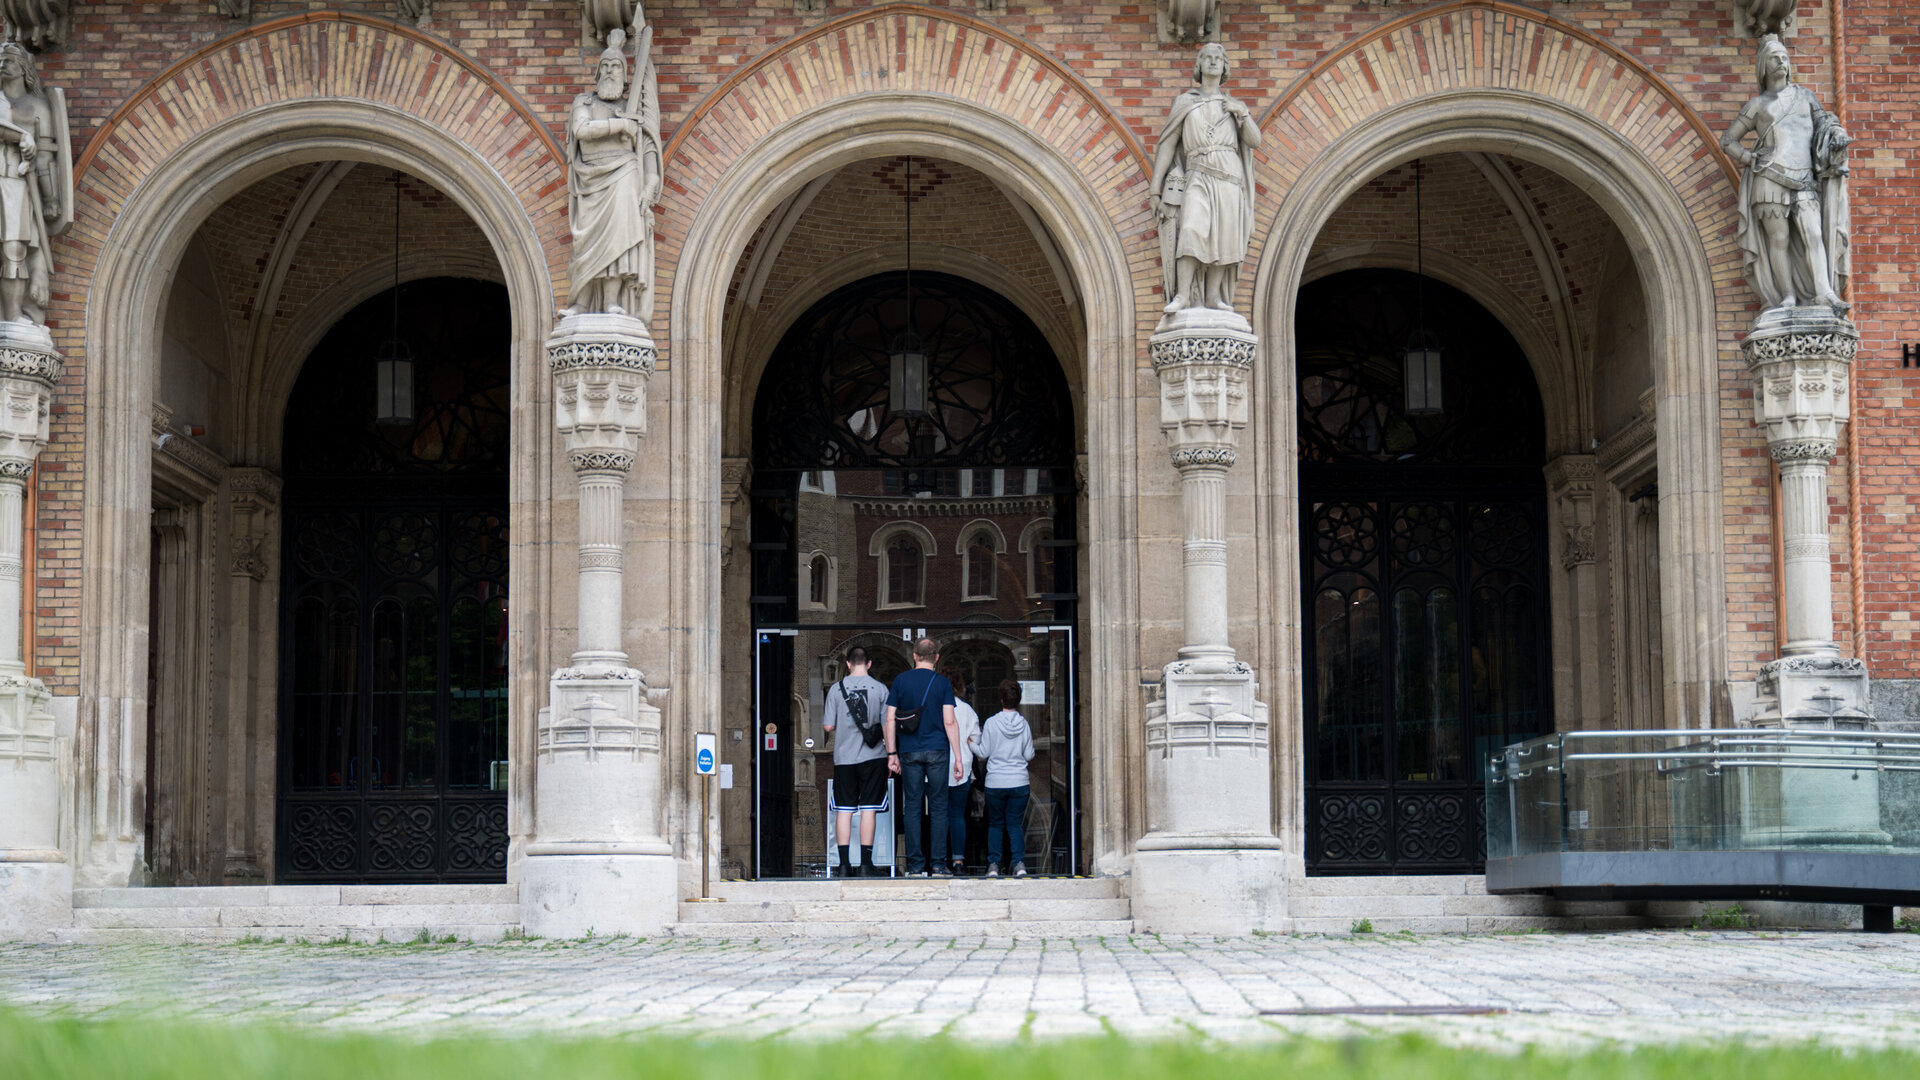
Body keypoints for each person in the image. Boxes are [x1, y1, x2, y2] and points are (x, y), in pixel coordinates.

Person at [1720, 33, 1851, 316]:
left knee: (1813, 234)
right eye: (1774, 58)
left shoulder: (1805, 96)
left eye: (1784, 58)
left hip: (1803, 177)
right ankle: (1787, 296)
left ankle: (1824, 292)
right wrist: (1748, 157)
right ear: (1763, 67)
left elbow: (1825, 123)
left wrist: (1837, 134)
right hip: (1768, 178)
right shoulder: (1757, 105)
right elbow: (1728, 140)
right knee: (1778, 241)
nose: (1780, 62)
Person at [1150, 41, 1259, 314]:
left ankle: (1213, 296)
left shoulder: (1234, 106)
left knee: (1224, 236)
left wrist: (1242, 114)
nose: (1212, 62)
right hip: (1197, 175)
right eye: (1206, 58)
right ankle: (1183, 295)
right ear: (1198, 65)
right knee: (1192, 229)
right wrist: (1155, 189)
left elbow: (1255, 141)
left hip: (1229, 178)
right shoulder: (1185, 102)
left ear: (1224, 67)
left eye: (1217, 59)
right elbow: (1167, 144)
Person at [562, 26, 662, 319]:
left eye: (616, 66)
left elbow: (648, 154)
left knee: (618, 241)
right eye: (604, 66)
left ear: (625, 74)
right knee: (586, 242)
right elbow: (581, 130)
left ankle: (611, 303)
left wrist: (650, 184)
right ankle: (580, 304)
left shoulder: (633, 108)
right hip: (590, 179)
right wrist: (620, 125)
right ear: (596, 73)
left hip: (625, 176)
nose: (609, 71)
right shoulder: (585, 102)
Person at [884, 637, 962, 877]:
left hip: (909, 751)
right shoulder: (942, 684)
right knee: (939, 807)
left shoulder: (901, 680)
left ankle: (916, 866)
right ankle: (938, 864)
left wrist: (891, 754)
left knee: (913, 807)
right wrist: (958, 757)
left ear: (914, 656)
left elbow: (889, 719)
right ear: (936, 658)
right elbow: (949, 721)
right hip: (938, 750)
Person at [821, 646, 890, 878]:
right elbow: (887, 724)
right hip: (874, 758)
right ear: (868, 664)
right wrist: (892, 754)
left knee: (844, 810)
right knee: (869, 809)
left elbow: (828, 726)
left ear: (848, 664)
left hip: (844, 758)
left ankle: (842, 865)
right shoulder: (881, 689)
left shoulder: (835, 690)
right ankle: (865, 864)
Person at [977, 679, 1036, 878]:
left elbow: (983, 752)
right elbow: (1029, 755)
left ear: (1001, 699)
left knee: (995, 824)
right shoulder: (1024, 724)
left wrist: (970, 743)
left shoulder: (992, 723)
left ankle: (993, 865)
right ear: (1018, 701)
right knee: (1014, 824)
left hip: (996, 782)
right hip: (1019, 781)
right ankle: (1019, 864)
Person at [940, 664, 982, 876]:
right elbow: (976, 739)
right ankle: (958, 860)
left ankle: (938, 860)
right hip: (962, 768)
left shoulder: (936, 707)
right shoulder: (967, 710)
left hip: (938, 768)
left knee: (939, 816)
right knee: (957, 815)